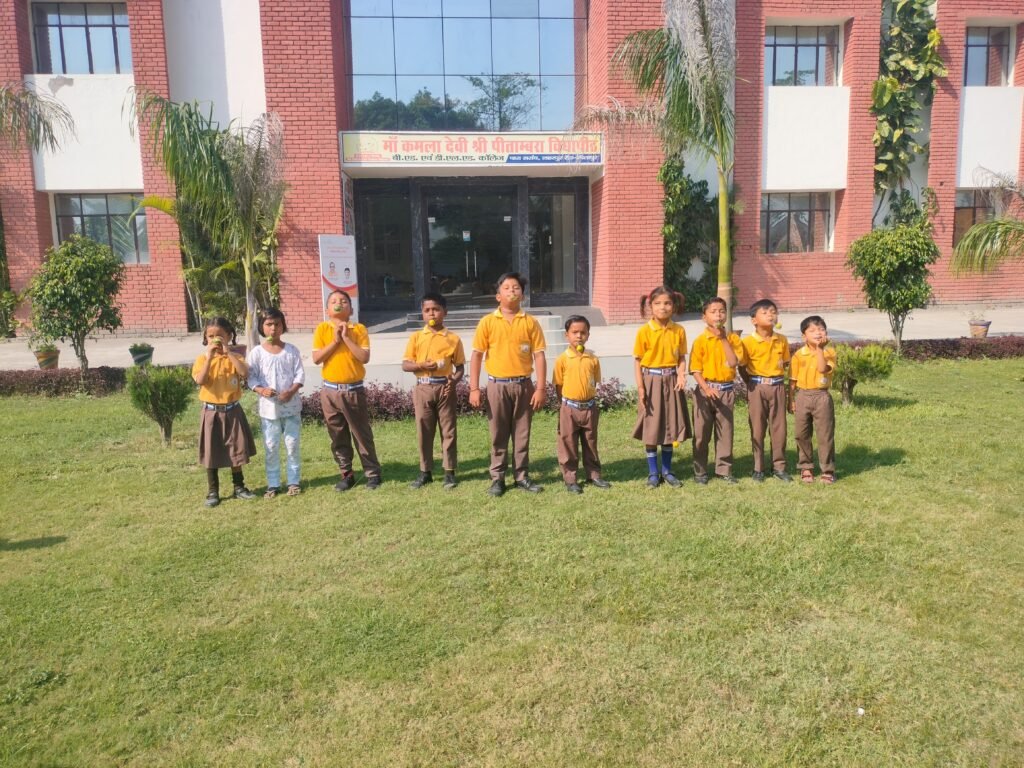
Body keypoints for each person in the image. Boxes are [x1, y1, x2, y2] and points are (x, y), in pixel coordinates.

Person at [468, 272, 547, 497]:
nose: (512, 291)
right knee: (498, 433)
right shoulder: (487, 322)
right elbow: (476, 355)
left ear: (523, 295)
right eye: (507, 287)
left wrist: (540, 388)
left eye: (516, 288)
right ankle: (498, 478)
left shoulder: (530, 322)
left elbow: (539, 356)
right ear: (498, 296)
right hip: (497, 386)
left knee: (522, 433)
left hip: (524, 385)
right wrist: (474, 388)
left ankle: (521, 476)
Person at [312, 289, 382, 491]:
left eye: (343, 301)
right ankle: (347, 474)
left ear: (351, 309)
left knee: (361, 434)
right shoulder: (322, 329)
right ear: (327, 309)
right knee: (337, 435)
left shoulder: (358, 329)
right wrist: (335, 340)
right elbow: (317, 358)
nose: (339, 304)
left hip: (353, 391)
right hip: (330, 392)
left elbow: (364, 357)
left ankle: (372, 474)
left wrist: (346, 338)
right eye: (334, 301)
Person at [402, 292, 465, 490]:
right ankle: (425, 472)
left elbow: (460, 367)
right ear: (422, 313)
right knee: (424, 430)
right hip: (423, 387)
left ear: (445, 312)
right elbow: (406, 365)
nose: (431, 314)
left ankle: (449, 472)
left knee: (448, 430)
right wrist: (421, 365)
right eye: (427, 310)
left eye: (436, 309)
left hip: (444, 388)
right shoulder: (416, 337)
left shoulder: (453, 339)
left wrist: (454, 381)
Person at [192, 317, 257, 507]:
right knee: (211, 451)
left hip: (232, 410)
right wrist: (210, 358)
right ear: (205, 338)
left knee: (236, 449)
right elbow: (200, 380)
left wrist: (228, 353)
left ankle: (239, 487)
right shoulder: (202, 359)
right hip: (211, 412)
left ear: (229, 336)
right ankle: (213, 491)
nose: (215, 340)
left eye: (220, 336)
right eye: (210, 336)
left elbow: (244, 373)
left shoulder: (236, 358)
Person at [633, 286, 692, 488]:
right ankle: (653, 472)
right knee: (651, 427)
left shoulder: (679, 330)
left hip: (672, 381)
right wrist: (641, 388)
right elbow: (637, 361)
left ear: (673, 306)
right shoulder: (644, 331)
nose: (663, 307)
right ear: (650, 306)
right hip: (651, 381)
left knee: (670, 425)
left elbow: (681, 357)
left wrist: (681, 374)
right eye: (657, 303)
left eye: (667, 303)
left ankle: (667, 470)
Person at [247, 307, 305, 498]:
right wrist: (261, 390)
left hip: (291, 409)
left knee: (292, 445)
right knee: (271, 447)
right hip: (269, 411)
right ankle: (273, 483)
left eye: (277, 324)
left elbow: (299, 375)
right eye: (269, 324)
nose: (273, 328)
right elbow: (251, 378)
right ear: (261, 327)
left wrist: (291, 391)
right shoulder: (256, 353)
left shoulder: (291, 351)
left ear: (283, 326)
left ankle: (293, 481)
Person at [689, 297, 746, 485]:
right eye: (713, 312)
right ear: (704, 316)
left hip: (726, 391)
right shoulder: (700, 341)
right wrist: (706, 388)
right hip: (705, 391)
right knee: (701, 433)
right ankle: (700, 471)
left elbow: (733, 362)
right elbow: (695, 370)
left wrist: (723, 339)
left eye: (721, 311)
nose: (718, 315)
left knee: (725, 433)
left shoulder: (733, 339)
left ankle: (724, 469)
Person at [553, 315, 611, 494]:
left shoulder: (592, 359)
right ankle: (570, 478)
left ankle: (594, 474)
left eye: (583, 332)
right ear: (567, 335)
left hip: (589, 408)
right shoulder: (562, 359)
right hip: (569, 408)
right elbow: (558, 385)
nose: (579, 336)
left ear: (588, 335)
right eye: (574, 332)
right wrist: (565, 405)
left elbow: (594, 383)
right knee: (568, 444)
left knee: (590, 442)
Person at [740, 299, 792, 482]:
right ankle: (758, 467)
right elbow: (742, 366)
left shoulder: (781, 340)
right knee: (757, 428)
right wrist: (751, 383)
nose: (771, 315)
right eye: (765, 312)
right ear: (754, 320)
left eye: (773, 311)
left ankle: (779, 467)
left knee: (779, 428)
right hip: (757, 386)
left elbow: (786, 364)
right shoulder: (747, 342)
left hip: (777, 386)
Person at [789, 315, 837, 484]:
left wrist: (820, 350)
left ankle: (828, 469)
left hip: (821, 396)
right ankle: (805, 467)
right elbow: (793, 381)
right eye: (812, 330)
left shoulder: (829, 352)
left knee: (825, 434)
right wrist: (791, 400)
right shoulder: (798, 355)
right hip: (803, 395)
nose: (818, 333)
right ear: (804, 336)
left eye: (821, 329)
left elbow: (823, 369)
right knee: (801, 434)